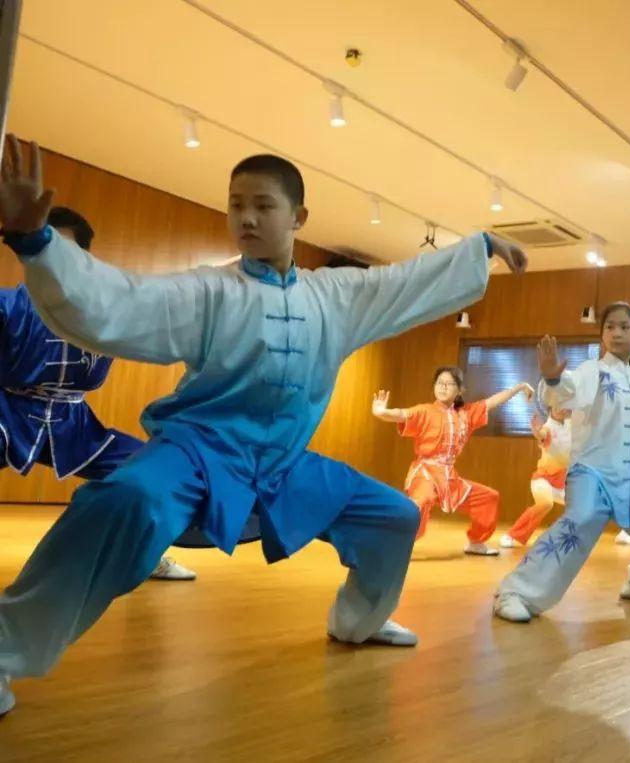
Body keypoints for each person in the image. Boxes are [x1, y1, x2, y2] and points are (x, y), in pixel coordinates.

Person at [0, 136, 527, 717]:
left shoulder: (336, 296)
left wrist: (480, 247)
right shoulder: (210, 291)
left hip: (283, 465)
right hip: (197, 452)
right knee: (122, 498)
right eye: (236, 205)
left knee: (395, 516)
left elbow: (403, 282)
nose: (246, 218)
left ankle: (359, 622)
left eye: (262, 205)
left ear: (299, 217)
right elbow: (120, 300)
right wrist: (35, 240)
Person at [0, 206, 197, 582]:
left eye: (63, 252)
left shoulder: (105, 313)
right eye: (42, 248)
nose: (51, 261)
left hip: (74, 423)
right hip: (10, 412)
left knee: (148, 470)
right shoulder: (8, 305)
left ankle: (144, 555)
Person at [493, 302, 630, 623]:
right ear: (602, 335)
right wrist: (553, 379)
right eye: (610, 327)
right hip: (593, 474)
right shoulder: (593, 371)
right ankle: (516, 593)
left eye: (625, 327)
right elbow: (568, 388)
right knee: (581, 519)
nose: (616, 333)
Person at [370, 371, 533, 556]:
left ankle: (476, 542)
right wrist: (382, 413)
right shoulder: (424, 411)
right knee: (421, 502)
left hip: (450, 478)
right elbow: (402, 414)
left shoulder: (466, 414)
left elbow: (492, 402)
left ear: (459, 390)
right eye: (439, 383)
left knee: (488, 498)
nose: (443, 387)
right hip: (426, 473)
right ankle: (395, 542)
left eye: (449, 383)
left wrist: (519, 387)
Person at [500, 406, 572, 548]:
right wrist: (536, 432)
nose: (562, 409)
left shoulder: (571, 425)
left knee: (583, 505)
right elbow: (541, 435)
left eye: (565, 405)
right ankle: (512, 535)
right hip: (543, 480)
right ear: (551, 408)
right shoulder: (548, 428)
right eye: (559, 406)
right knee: (546, 503)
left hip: (562, 484)